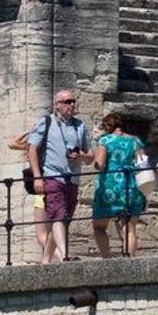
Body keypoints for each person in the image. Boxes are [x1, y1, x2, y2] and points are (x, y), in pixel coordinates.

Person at [26, 91, 92, 263]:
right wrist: (38, 177)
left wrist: (81, 157)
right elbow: (31, 148)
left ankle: (46, 260)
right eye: (67, 101)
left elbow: (90, 156)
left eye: (73, 101)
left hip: (73, 178)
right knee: (58, 217)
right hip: (52, 176)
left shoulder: (80, 126)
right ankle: (64, 256)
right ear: (57, 105)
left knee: (64, 220)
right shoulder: (47, 122)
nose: (71, 105)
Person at [91, 112, 148, 258]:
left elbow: (101, 164)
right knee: (129, 227)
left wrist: (94, 160)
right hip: (131, 185)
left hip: (110, 186)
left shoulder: (105, 141)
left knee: (99, 227)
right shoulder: (135, 141)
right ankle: (128, 261)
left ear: (107, 126)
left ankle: (107, 258)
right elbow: (143, 164)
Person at [8, 131, 53, 263]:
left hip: (41, 191)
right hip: (54, 188)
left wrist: (30, 130)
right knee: (52, 231)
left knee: (41, 235)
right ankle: (49, 260)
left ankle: (62, 255)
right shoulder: (50, 147)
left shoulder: (34, 146)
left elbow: (12, 143)